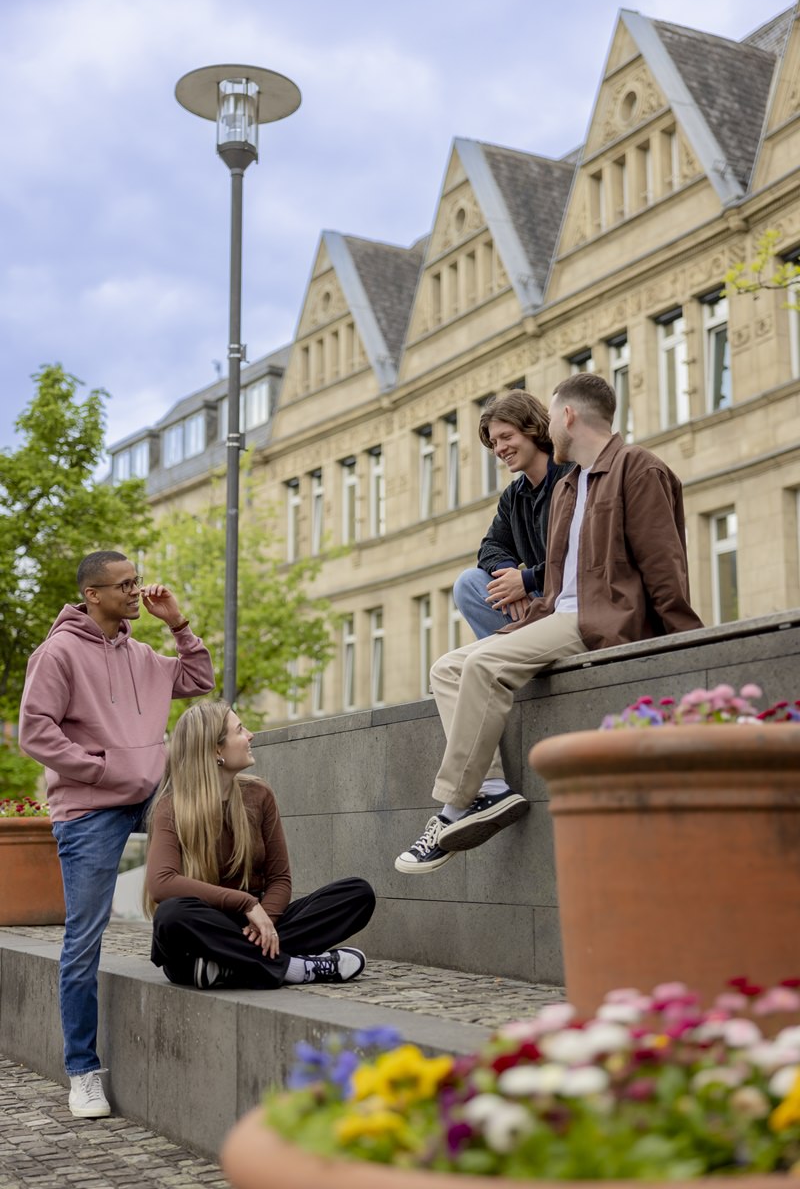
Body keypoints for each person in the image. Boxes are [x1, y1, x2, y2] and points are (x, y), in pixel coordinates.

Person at [395, 373, 703, 874]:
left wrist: (685, 646)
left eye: (504, 438)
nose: (499, 449)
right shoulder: (570, 487)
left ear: (566, 416)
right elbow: (549, 574)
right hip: (558, 613)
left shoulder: (638, 468)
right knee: (448, 668)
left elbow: (665, 565)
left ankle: (452, 808)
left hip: (602, 619)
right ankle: (492, 789)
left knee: (484, 667)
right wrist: (526, 608)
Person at [19, 551, 215, 1118]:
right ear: (92, 595)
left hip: (149, 795)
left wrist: (177, 623)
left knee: (214, 838)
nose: (136, 591)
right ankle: (82, 1071)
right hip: (90, 807)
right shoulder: (57, 654)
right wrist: (103, 769)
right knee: (84, 937)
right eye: (124, 585)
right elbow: (35, 732)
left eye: (136, 580)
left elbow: (197, 679)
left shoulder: (144, 655)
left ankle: (223, 956)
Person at [145, 699, 375, 992]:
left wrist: (265, 920)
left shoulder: (258, 794)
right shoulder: (171, 806)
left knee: (356, 894)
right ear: (217, 749)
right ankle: (294, 968)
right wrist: (247, 903)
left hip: (252, 926)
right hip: (202, 927)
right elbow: (161, 884)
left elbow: (279, 878)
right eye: (240, 730)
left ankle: (228, 965)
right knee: (171, 916)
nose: (250, 735)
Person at [453, 390, 572, 638]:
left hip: (573, 598)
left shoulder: (572, 476)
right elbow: (491, 546)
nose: (499, 449)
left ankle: (517, 654)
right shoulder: (514, 496)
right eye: (494, 442)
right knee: (468, 583)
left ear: (532, 429)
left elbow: (580, 556)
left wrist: (527, 580)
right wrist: (510, 579)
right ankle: (521, 657)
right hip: (539, 600)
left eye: (506, 437)